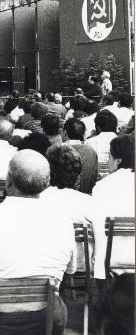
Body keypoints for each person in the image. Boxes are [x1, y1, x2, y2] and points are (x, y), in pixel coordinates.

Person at [0, 150, 76, 335]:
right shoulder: (64, 221)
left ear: (8, 180)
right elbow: (68, 273)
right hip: (44, 321)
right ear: (46, 182)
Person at [91, 134, 135, 281]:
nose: (108, 161)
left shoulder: (102, 187)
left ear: (118, 161)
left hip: (112, 257)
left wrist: (99, 268)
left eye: (110, 156)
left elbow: (98, 229)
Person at [62, 118, 98, 194]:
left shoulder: (57, 150)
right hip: (86, 196)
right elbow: (94, 177)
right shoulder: (91, 151)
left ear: (65, 132)